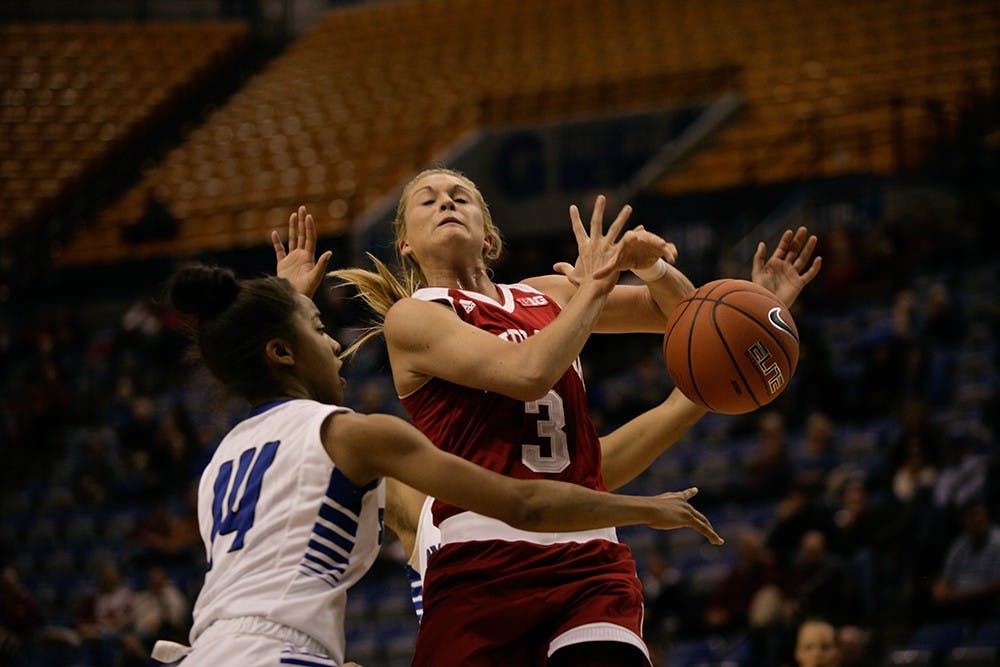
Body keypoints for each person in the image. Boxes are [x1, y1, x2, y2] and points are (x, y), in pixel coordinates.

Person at [282, 167, 821, 665]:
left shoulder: (547, 295)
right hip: (481, 562)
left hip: (589, 554)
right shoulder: (415, 318)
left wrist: (655, 269)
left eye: (460, 196)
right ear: (406, 243)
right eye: (427, 200)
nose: (446, 201)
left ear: (488, 235)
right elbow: (528, 372)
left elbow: (680, 315)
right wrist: (595, 288)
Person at [150, 262, 723, 667]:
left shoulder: (222, 460)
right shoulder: (365, 438)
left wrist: (282, 304)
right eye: (322, 331)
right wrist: (646, 509)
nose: (338, 347)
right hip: (285, 654)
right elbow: (524, 498)